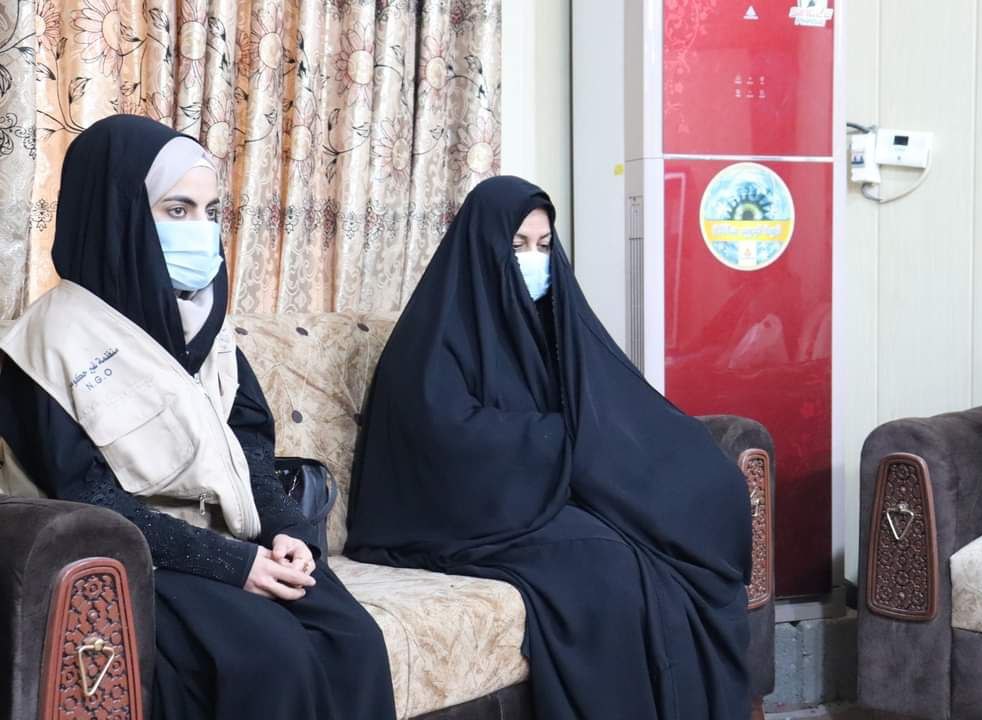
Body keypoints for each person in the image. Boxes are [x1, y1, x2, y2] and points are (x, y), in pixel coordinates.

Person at [0, 115, 396, 720]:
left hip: (235, 544)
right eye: (176, 210)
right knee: (274, 659)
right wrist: (234, 566)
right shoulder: (47, 345)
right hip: (137, 559)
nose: (201, 231)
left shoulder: (209, 329)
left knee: (354, 640)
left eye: (211, 212)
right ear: (118, 215)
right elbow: (87, 498)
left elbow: (251, 450)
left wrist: (287, 531)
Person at [345, 176, 752, 719]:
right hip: (458, 514)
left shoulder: (550, 323)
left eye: (543, 245)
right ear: (483, 248)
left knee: (673, 544)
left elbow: (607, 400)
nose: (534, 260)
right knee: (611, 566)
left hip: (539, 495)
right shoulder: (429, 338)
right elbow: (447, 441)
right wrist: (560, 437)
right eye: (517, 246)